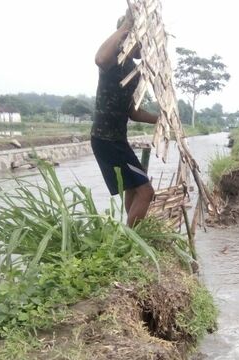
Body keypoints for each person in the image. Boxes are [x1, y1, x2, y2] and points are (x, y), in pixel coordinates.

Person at [91, 11, 159, 227]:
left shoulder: (133, 71)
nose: (145, 47)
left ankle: (129, 235)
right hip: (107, 139)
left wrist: (161, 119)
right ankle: (133, 241)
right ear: (130, 37)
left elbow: (134, 112)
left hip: (116, 140)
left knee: (134, 188)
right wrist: (125, 27)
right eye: (143, 41)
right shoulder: (114, 60)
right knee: (146, 192)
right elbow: (99, 59)